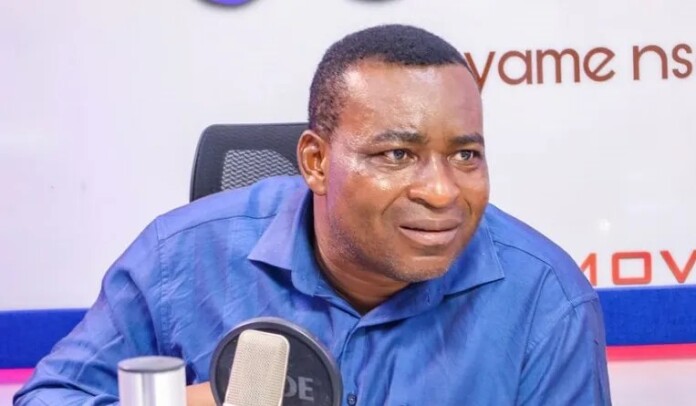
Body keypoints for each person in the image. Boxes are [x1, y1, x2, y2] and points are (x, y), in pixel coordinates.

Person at [15, 24, 611, 405]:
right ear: (316, 162)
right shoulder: (179, 258)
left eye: (465, 155)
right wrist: (195, 402)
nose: (441, 191)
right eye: (397, 154)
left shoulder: (545, 300)